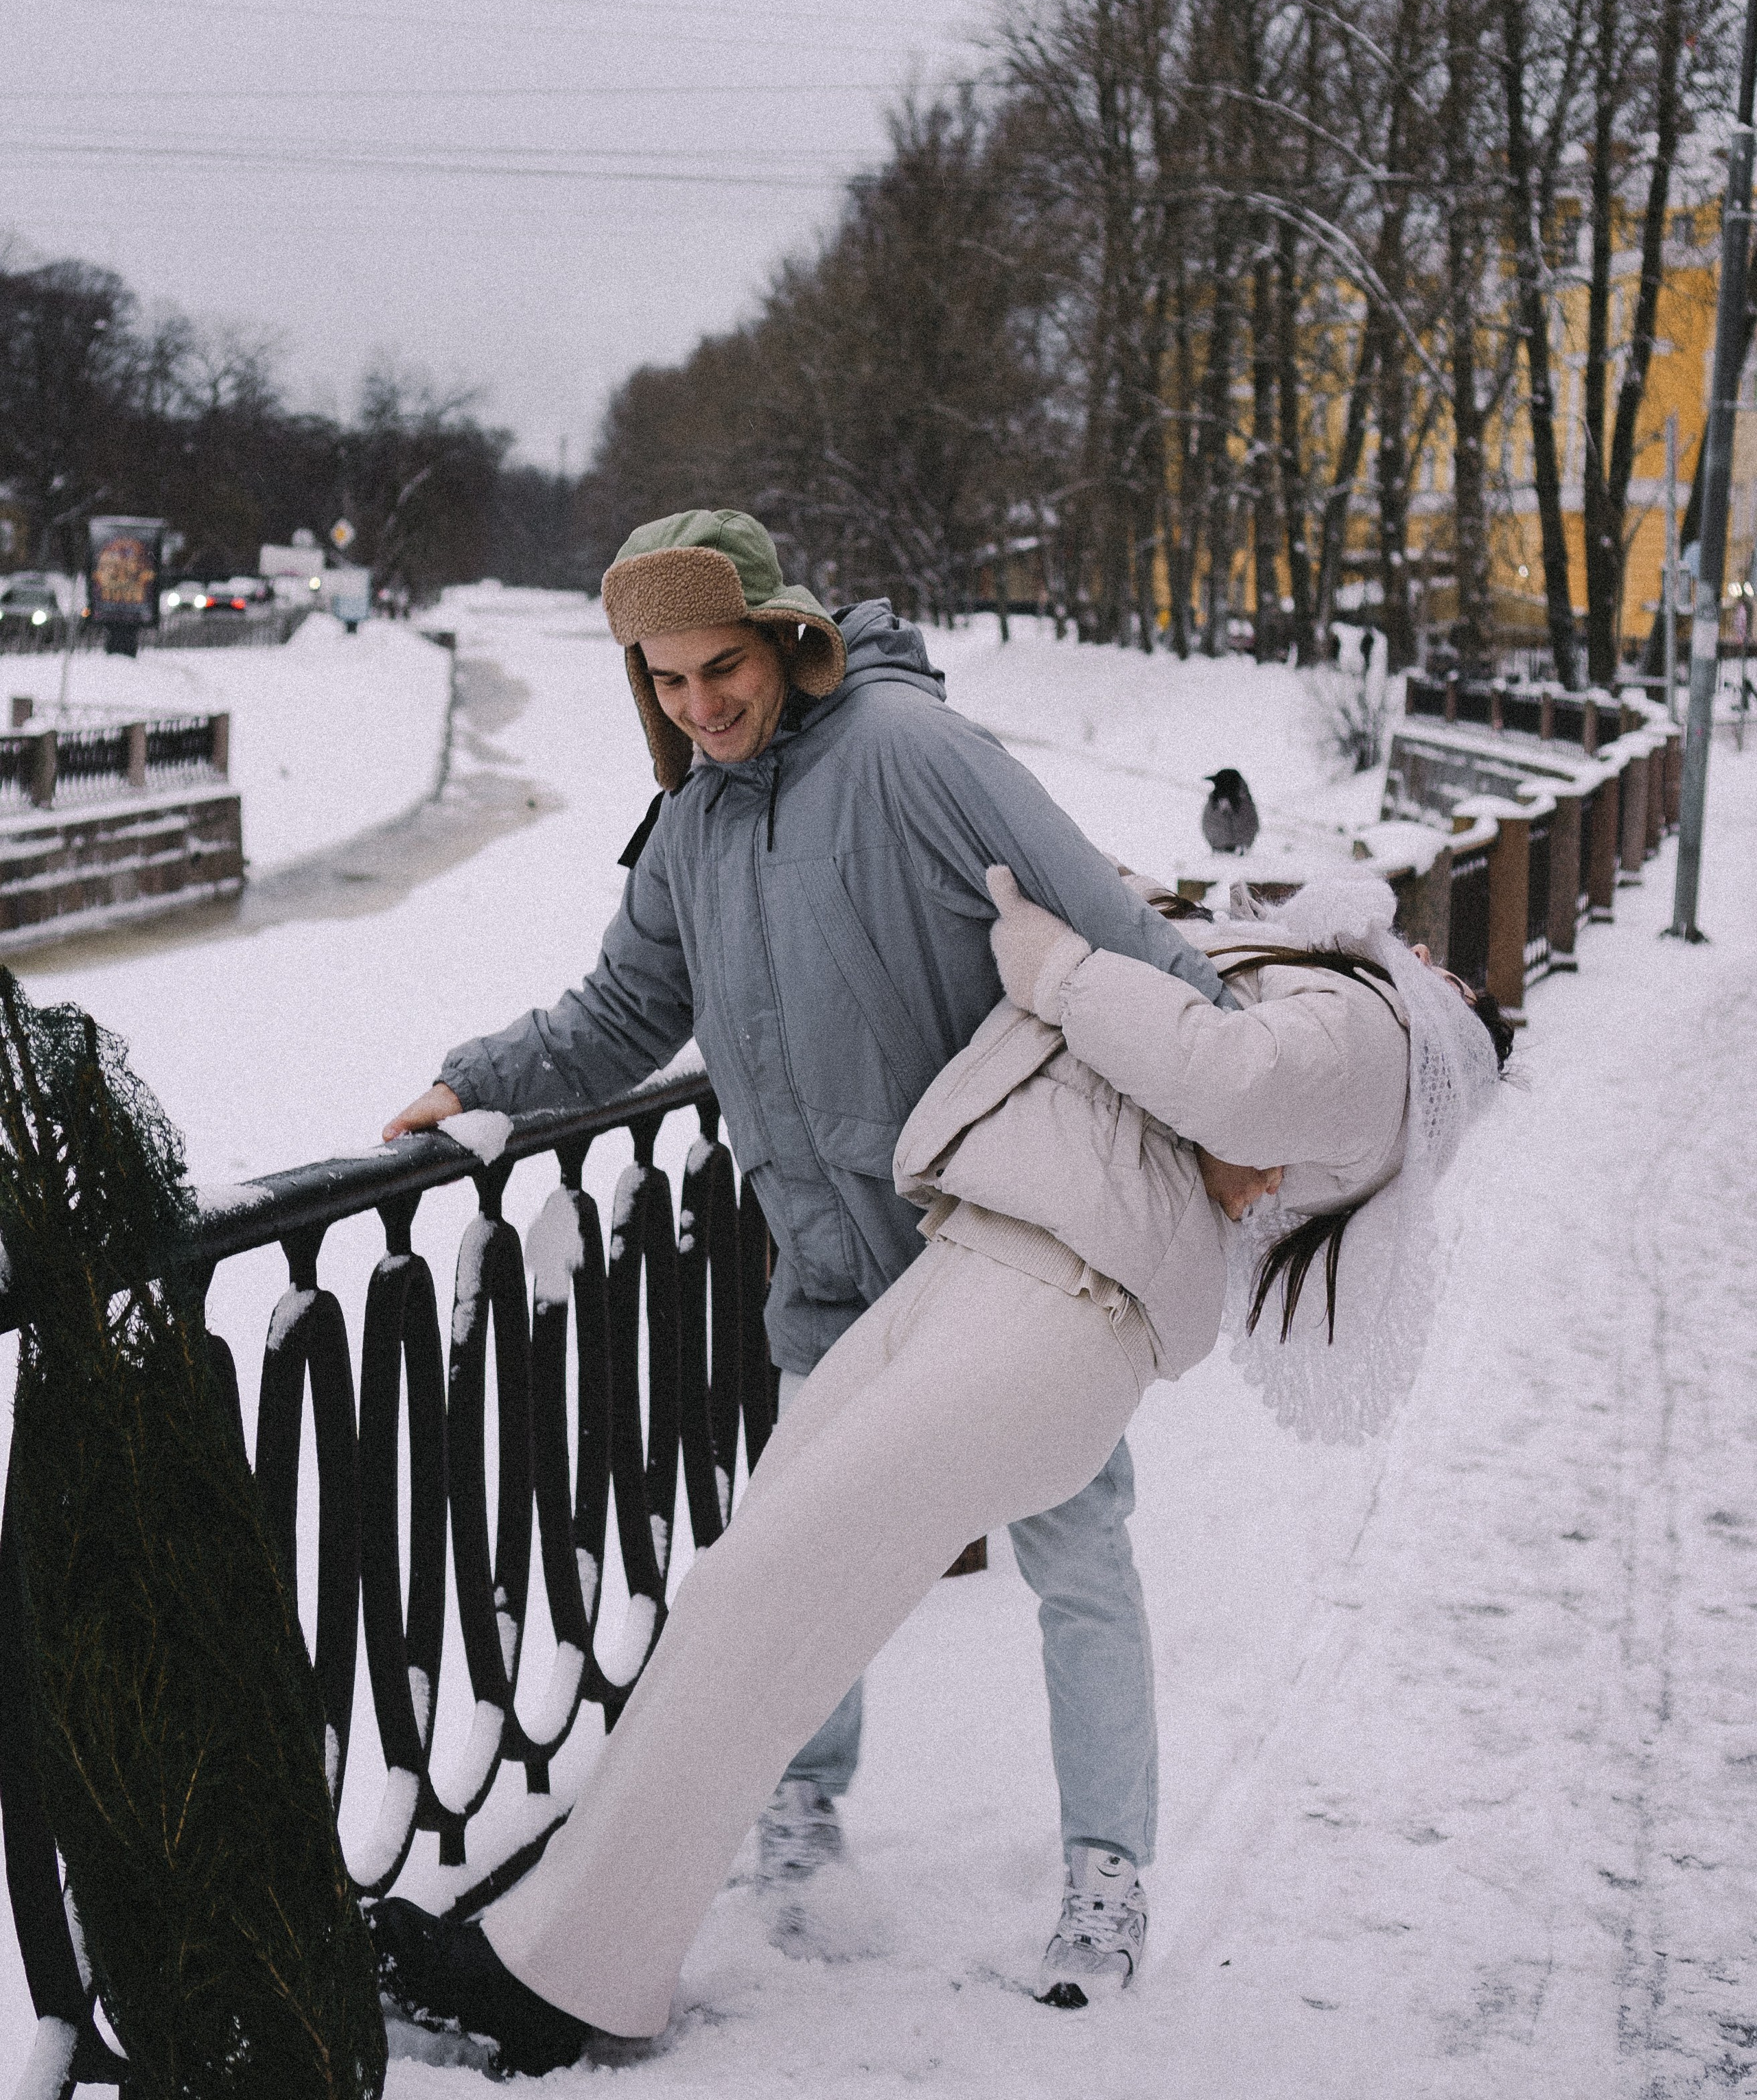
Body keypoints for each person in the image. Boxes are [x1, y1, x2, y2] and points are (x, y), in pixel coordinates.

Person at [371, 864, 1510, 2072]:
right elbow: (1198, 1058)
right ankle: (586, 1954)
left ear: (1452, 1033)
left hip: (1055, 1302)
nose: (1429, 961)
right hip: (990, 1258)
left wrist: (1058, 965)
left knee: (762, 1601)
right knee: (744, 1597)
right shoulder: (1330, 1004)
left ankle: (555, 1979)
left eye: (1456, 983)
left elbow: (1218, 1074)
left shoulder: (1379, 1034)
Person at [384, 508, 1237, 2001]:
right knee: (786, 1557)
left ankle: (1106, 1873)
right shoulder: (692, 828)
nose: (699, 707)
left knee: (1076, 1548)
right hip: (828, 1273)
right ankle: (802, 1812)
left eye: (721, 668)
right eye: (665, 681)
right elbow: (623, 1013)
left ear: (787, 637)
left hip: (1000, 1261)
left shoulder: (910, 754)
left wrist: (1234, 1100)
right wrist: (476, 1082)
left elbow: (1117, 936)